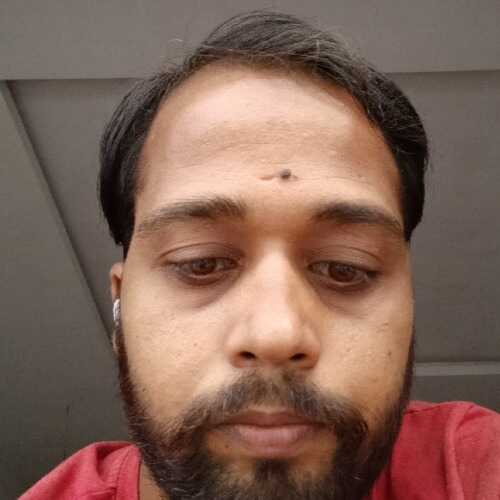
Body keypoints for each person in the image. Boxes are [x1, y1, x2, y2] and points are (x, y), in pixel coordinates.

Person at [21, 10, 499, 500]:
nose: (276, 334)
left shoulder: (468, 464)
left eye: (345, 267)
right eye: (200, 262)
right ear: (121, 310)